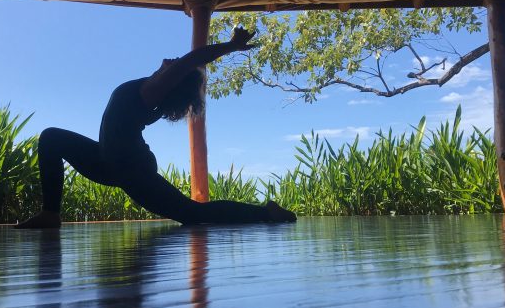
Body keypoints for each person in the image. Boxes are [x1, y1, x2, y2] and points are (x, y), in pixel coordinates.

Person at [16, 27, 296, 228]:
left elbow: (192, 60)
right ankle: (51, 213)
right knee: (51, 138)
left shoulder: (152, 92)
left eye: (177, 68)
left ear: (174, 81)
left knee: (192, 214)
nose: (173, 60)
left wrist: (231, 45)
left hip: (131, 167)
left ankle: (266, 213)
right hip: (106, 159)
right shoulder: (150, 92)